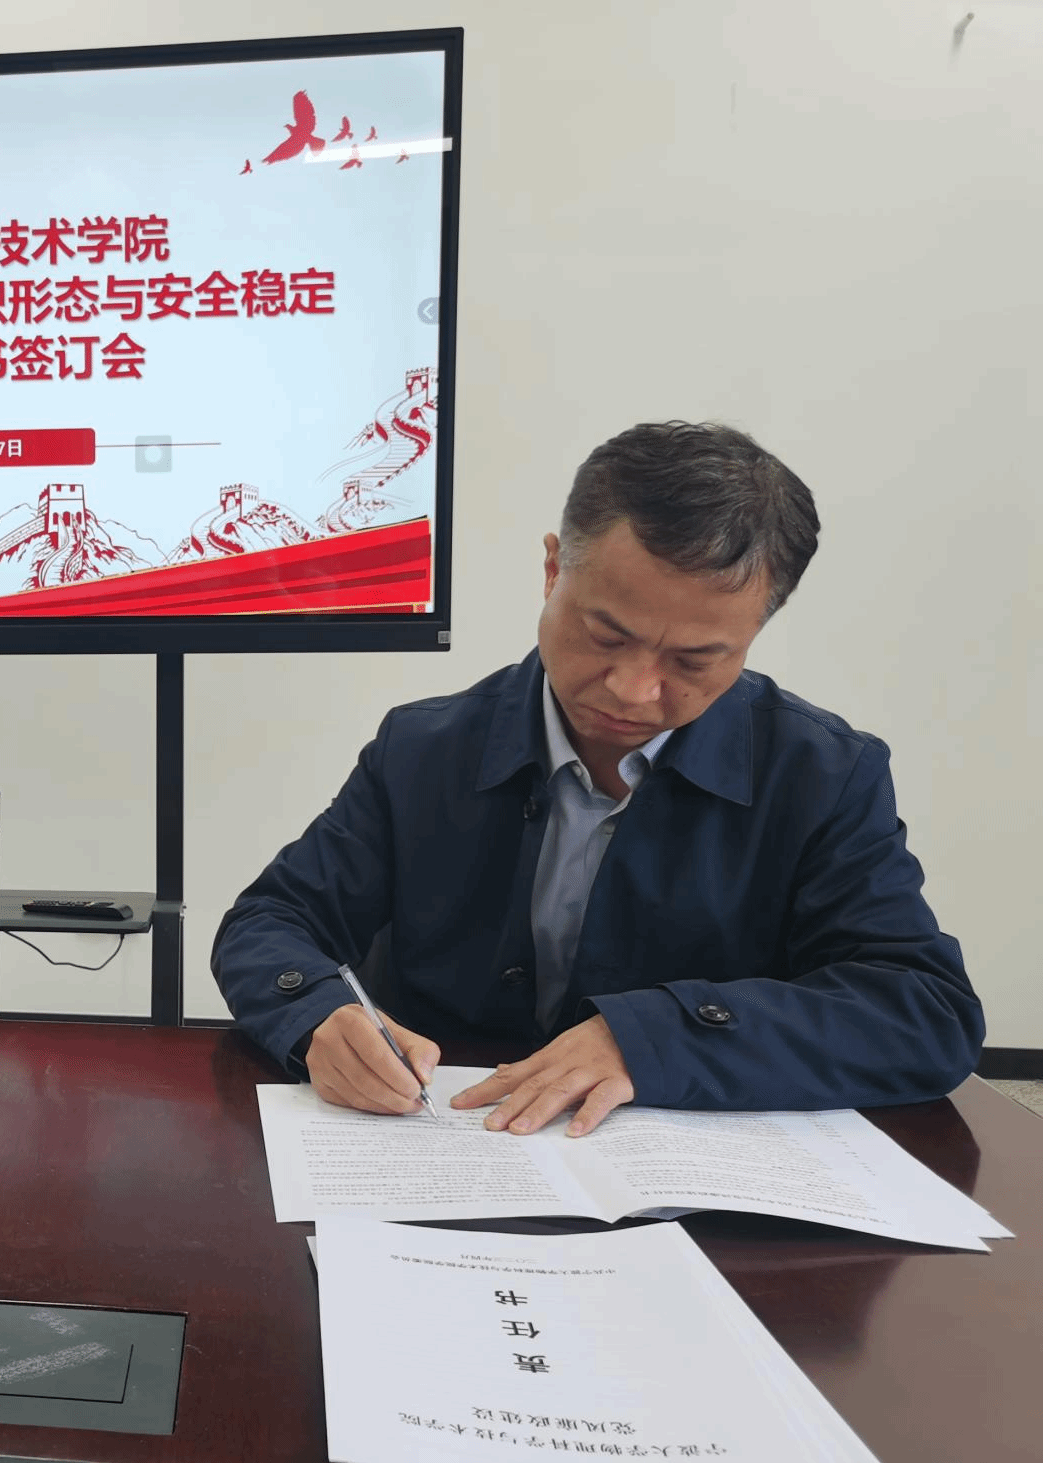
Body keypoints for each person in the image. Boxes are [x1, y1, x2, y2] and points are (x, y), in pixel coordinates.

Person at [213, 422, 981, 1135]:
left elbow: (925, 1012)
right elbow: (270, 921)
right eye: (605, 634)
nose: (633, 691)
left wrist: (652, 1037)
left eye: (694, 660)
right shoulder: (423, 749)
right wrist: (319, 1016)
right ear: (553, 570)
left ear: (753, 634)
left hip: (682, 1180)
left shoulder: (822, 775)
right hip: (442, 1144)